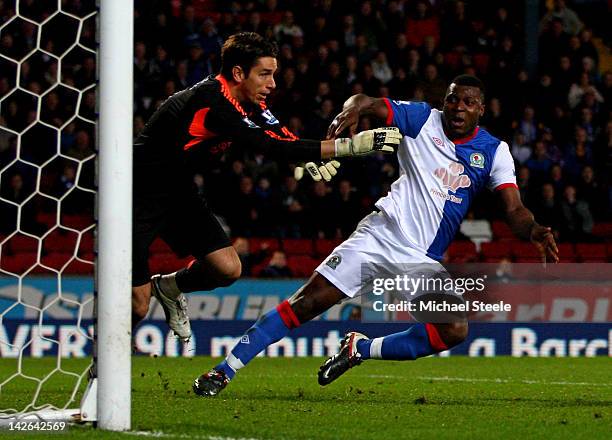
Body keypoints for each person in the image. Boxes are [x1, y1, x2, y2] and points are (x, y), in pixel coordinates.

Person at [192, 75, 559, 397]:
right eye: (452, 98)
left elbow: (513, 209)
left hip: (420, 260)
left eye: (467, 102)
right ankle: (223, 370)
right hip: (379, 235)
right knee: (307, 303)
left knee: (453, 329)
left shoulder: (494, 151)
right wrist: (353, 110)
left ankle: (360, 350)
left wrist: (534, 230)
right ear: (443, 101)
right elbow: (366, 101)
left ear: (481, 109)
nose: (457, 107)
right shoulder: (421, 119)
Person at [132, 32, 401, 342]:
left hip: (178, 194)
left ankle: (168, 287)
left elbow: (281, 135)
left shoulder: (249, 102)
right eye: (264, 74)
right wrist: (348, 147)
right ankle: (103, 378)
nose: (272, 83)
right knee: (137, 306)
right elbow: (268, 145)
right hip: (138, 195)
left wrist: (299, 159)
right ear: (237, 73)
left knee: (227, 269)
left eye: (273, 73)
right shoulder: (212, 103)